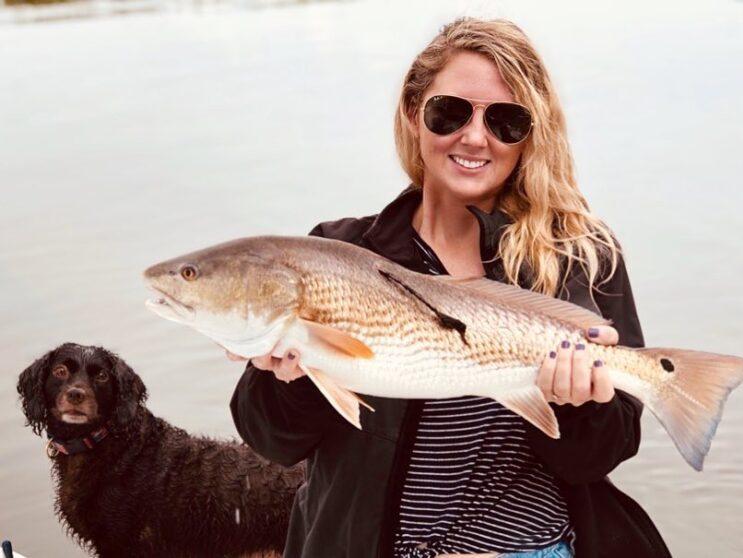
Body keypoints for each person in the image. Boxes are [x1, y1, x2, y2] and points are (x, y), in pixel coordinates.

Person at [229, 18, 671, 558]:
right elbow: (273, 441)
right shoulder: (336, 255)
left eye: (506, 121)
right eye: (450, 112)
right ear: (414, 114)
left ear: (530, 136)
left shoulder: (580, 256)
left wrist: (578, 403)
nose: (475, 137)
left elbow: (596, 457)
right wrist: (291, 377)